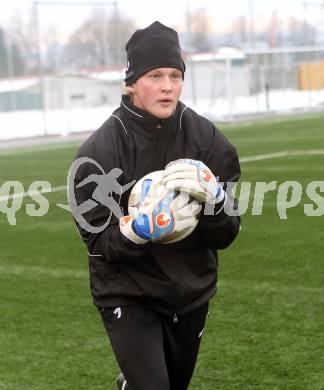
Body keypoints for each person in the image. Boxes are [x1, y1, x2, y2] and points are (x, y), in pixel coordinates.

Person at [70, 21, 241, 390]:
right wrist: (136, 230)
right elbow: (100, 243)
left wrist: (216, 201)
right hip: (128, 292)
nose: (167, 86)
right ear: (131, 82)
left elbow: (227, 233)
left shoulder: (208, 141)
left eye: (175, 75)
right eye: (155, 75)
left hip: (189, 289)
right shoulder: (98, 154)